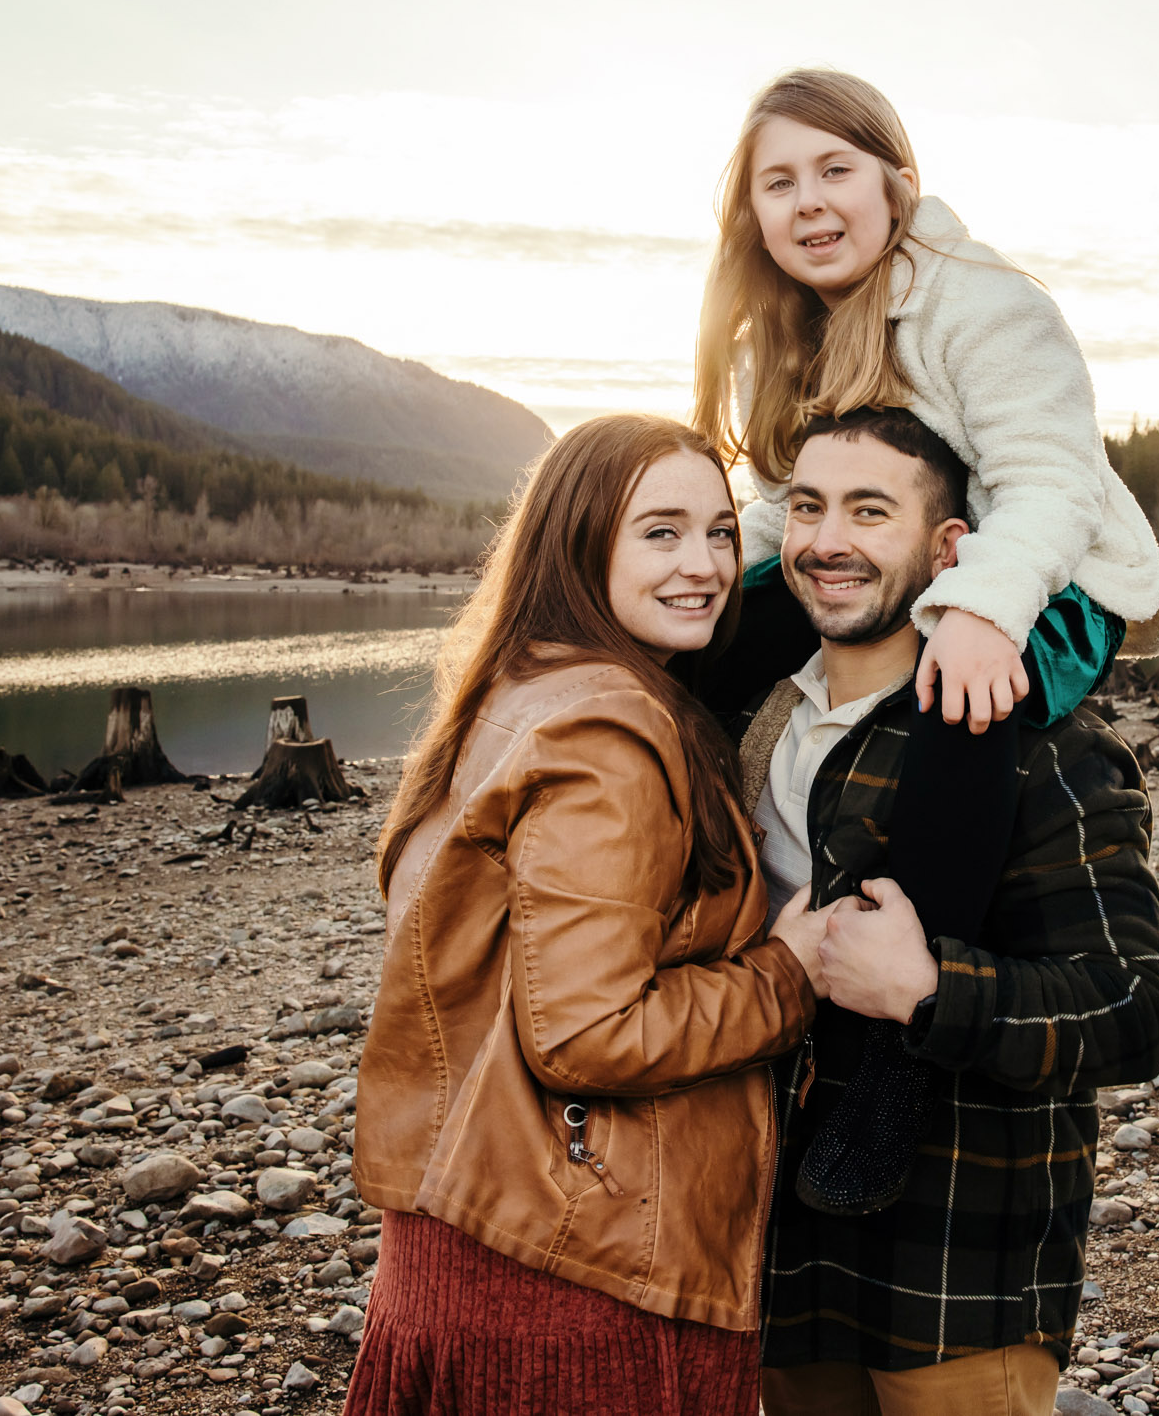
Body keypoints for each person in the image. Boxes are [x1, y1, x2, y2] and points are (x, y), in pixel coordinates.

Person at [692, 67, 1159, 1213]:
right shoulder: (783, 333)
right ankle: (691, 926)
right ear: (750, 210)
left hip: (1047, 565)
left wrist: (977, 610)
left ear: (897, 184)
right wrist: (693, 579)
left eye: (835, 170)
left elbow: (1048, 484)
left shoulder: (984, 302)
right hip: (928, 557)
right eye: (779, 180)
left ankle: (888, 1058)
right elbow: (777, 504)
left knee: (972, 701)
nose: (809, 200)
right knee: (701, 655)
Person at [346, 414, 837, 1416]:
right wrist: (790, 970)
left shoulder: (512, 690)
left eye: (719, 531)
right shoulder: (608, 731)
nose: (701, 563)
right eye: (659, 532)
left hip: (469, 1227)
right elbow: (588, 1030)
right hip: (578, 1265)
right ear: (578, 540)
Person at [737, 406, 1159, 1415]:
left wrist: (932, 990)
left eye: (868, 510)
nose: (826, 540)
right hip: (778, 1257)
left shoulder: (1039, 745)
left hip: (956, 1276)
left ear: (951, 548)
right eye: (807, 507)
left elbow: (1131, 1012)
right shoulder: (756, 727)